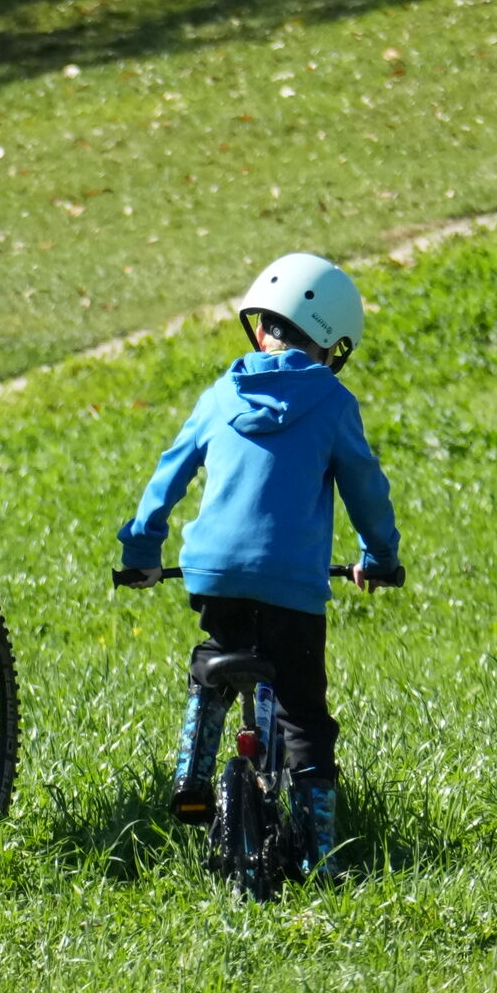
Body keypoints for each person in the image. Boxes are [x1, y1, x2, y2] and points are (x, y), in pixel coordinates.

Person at [112, 253, 403, 863]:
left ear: (262, 325)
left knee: (216, 659)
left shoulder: (222, 393)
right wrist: (378, 556)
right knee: (302, 710)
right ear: (333, 340)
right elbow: (365, 489)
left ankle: (193, 770)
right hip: (292, 586)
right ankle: (317, 850)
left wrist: (142, 551)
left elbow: (169, 474)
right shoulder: (331, 401)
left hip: (212, 573)